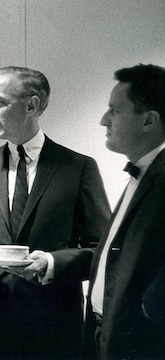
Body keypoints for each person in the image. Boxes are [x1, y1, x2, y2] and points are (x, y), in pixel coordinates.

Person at [0, 66, 111, 360]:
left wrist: (52, 263)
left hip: (53, 335)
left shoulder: (78, 168)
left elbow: (102, 250)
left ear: (32, 105)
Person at [84, 64, 165, 360]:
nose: (103, 120)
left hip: (142, 344)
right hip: (107, 337)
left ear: (149, 121)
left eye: (114, 111)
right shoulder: (143, 172)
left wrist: (148, 308)